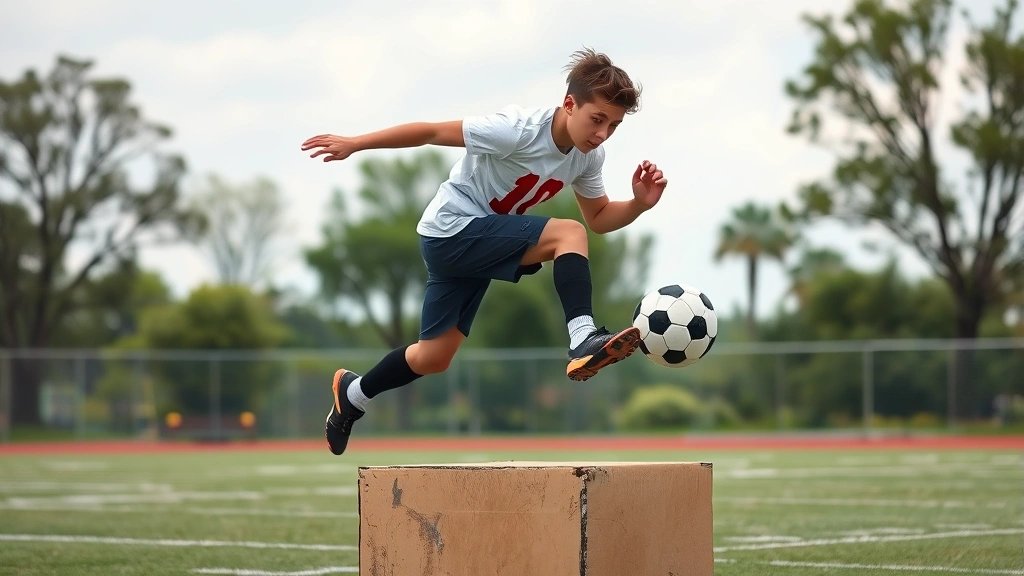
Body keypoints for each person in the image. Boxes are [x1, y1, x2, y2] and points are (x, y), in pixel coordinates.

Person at [301, 48, 668, 455]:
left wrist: (637, 204)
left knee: (434, 356)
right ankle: (582, 337)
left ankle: (352, 396)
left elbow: (598, 217)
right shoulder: (516, 130)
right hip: (451, 230)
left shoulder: (588, 156)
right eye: (596, 119)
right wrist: (355, 143)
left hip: (468, 244)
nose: (601, 134)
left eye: (613, 126)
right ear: (569, 104)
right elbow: (430, 133)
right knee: (567, 233)